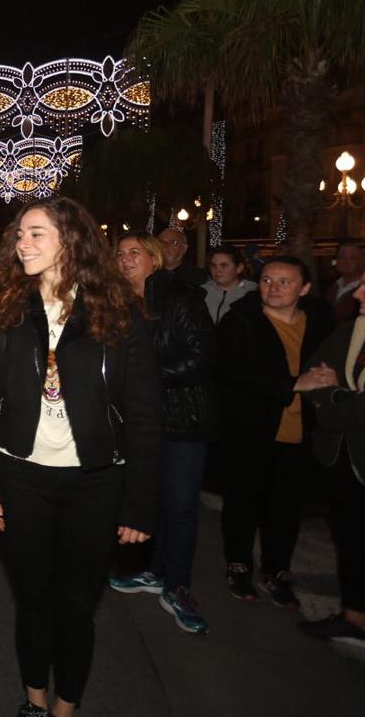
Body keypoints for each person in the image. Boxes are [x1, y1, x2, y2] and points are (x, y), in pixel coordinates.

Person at [0, 197, 162, 717]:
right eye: (20, 235)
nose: (21, 244)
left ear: (71, 242)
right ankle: (33, 700)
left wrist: (140, 505)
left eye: (35, 234)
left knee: (77, 607)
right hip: (21, 475)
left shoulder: (118, 313)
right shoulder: (3, 310)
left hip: (96, 481)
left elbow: (144, 415)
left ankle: (65, 708)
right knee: (32, 601)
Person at [110, 234, 219, 634]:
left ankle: (178, 585)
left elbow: (201, 358)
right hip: (141, 421)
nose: (125, 260)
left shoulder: (182, 298)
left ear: (154, 260)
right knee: (150, 499)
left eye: (134, 253)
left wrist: (143, 379)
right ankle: (154, 571)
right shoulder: (117, 304)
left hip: (183, 419)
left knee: (180, 504)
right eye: (119, 254)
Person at [216, 256, 332, 609]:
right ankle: (238, 565)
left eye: (284, 282)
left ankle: (277, 570)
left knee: (286, 507)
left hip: (300, 430)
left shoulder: (320, 323)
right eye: (267, 280)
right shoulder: (241, 320)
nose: (274, 288)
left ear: (305, 287)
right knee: (243, 501)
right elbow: (229, 372)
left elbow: (334, 365)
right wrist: (293, 383)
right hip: (251, 429)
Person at [298, 262, 365, 650]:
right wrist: (338, 396)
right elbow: (314, 371)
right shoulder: (354, 331)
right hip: (343, 459)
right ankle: (358, 618)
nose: (357, 294)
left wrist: (334, 397)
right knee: (352, 541)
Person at [201, 245, 258, 325]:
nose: (217, 270)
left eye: (224, 265)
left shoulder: (253, 294)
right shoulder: (201, 292)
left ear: (239, 268)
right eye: (213, 265)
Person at [324, 242, 365, 326]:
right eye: (341, 257)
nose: (345, 261)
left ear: (362, 262)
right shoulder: (330, 285)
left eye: (352, 258)